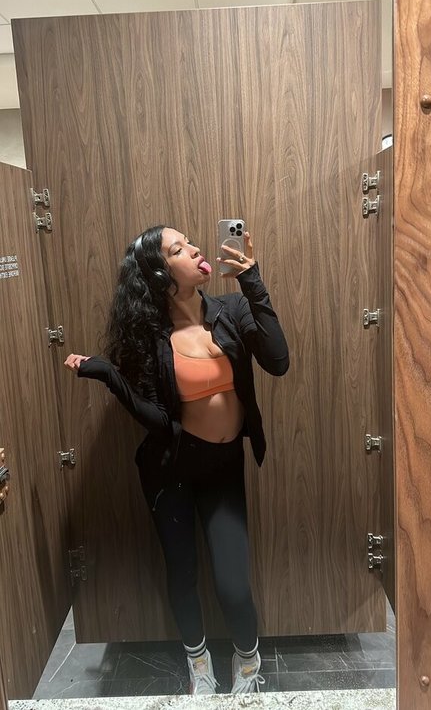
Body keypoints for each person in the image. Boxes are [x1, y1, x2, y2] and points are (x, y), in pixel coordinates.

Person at [64, 224, 289, 695]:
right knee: (182, 573)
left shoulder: (231, 310)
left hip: (224, 467)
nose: (195, 248)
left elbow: (278, 360)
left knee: (232, 583)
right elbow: (158, 420)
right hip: (171, 469)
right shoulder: (151, 336)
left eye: (189, 242)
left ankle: (248, 663)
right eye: (179, 248)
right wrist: (109, 376)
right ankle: (198, 663)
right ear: (160, 274)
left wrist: (252, 281)